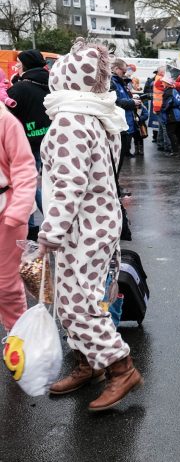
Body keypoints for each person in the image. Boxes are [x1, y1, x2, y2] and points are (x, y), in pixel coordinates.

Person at [39, 39, 143, 411]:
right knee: (84, 297)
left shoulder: (70, 121)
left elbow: (69, 184)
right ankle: (89, 363)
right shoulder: (99, 115)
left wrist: (50, 232)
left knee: (77, 304)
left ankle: (120, 366)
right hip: (99, 223)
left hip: (80, 228)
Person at [0, 88, 37, 331]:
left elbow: (24, 166)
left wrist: (19, 209)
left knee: (6, 283)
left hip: (6, 211)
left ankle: (17, 337)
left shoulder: (5, 121)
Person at [6, 49, 50, 241]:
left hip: (25, 144)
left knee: (27, 185)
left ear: (25, 65)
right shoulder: (51, 83)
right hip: (47, 139)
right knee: (40, 184)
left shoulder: (19, 89)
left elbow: (8, 117)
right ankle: (44, 221)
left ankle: (35, 224)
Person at [111, 59, 139, 160]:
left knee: (124, 150)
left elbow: (123, 98)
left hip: (126, 122)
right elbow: (115, 102)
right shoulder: (112, 82)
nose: (125, 73)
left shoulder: (119, 81)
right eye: (123, 71)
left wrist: (132, 99)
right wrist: (132, 102)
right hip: (120, 123)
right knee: (118, 157)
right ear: (116, 69)